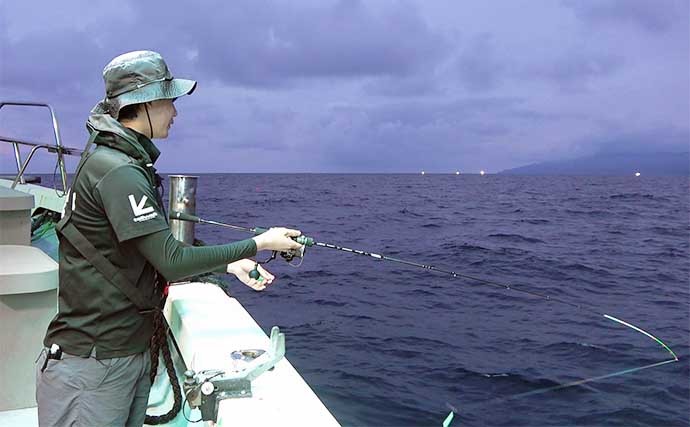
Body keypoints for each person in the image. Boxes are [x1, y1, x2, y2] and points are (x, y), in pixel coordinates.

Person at [35, 50, 303, 426]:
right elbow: (171, 259)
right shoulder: (119, 172)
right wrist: (261, 242)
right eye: (169, 101)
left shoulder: (115, 163)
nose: (175, 112)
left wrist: (230, 262)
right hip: (94, 367)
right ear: (144, 103)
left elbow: (142, 253)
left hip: (120, 356)